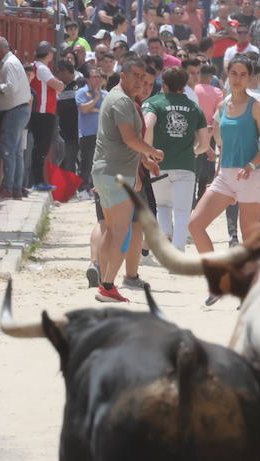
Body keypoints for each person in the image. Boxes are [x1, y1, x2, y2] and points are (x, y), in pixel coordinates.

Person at [90, 56, 163, 304]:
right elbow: (129, 138)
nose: (140, 82)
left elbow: (128, 143)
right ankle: (108, 286)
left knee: (111, 231)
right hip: (117, 174)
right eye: (135, 76)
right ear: (123, 75)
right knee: (123, 233)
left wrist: (145, 160)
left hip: (106, 172)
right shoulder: (122, 100)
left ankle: (104, 282)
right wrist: (152, 152)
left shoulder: (116, 96)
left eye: (143, 78)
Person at [188, 58, 260, 259]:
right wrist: (218, 171)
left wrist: (252, 165)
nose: (237, 78)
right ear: (227, 75)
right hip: (225, 176)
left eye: (243, 74)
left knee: (250, 241)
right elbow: (223, 144)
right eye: (234, 73)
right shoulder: (222, 106)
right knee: (194, 224)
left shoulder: (257, 107)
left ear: (250, 78)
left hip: (250, 177)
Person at [142, 67, 209, 250]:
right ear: (184, 86)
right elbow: (204, 143)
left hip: (159, 165)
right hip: (185, 166)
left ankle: (165, 241)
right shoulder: (194, 107)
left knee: (162, 206)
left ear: (164, 84)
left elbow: (147, 125)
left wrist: (148, 151)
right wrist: (193, 152)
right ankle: (178, 252)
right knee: (182, 212)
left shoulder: (153, 102)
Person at [0, 37, 31, 199]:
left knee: (8, 150)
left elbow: (11, 87)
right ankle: (16, 188)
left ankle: (8, 187)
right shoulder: (12, 62)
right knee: (17, 152)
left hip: (15, 110)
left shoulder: (9, 63)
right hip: (20, 109)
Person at [26, 41, 65, 193]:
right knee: (41, 147)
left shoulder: (36, 67)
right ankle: (38, 181)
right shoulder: (42, 68)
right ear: (48, 54)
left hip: (41, 111)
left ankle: (38, 180)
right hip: (43, 112)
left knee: (40, 147)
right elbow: (58, 85)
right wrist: (60, 84)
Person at [75, 68, 106, 192]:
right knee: (86, 162)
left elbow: (107, 111)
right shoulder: (81, 92)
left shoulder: (106, 94)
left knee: (101, 163)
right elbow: (83, 109)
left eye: (99, 77)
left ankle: (97, 188)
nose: (98, 79)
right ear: (88, 79)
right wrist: (96, 100)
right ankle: (82, 188)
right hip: (88, 133)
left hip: (103, 134)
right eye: (95, 77)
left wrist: (93, 109)